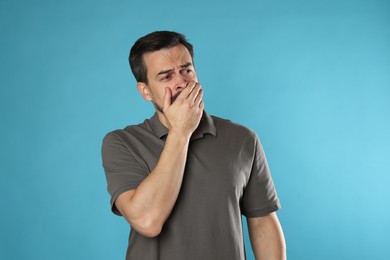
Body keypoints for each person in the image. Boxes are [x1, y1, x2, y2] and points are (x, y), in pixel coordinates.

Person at [101, 31, 286, 260]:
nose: (181, 82)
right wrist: (180, 131)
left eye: (186, 70)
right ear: (145, 91)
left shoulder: (242, 138)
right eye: (166, 76)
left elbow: (262, 223)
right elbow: (147, 221)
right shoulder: (122, 143)